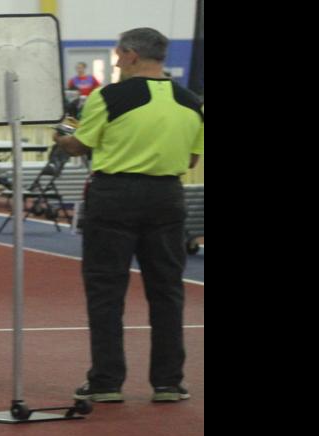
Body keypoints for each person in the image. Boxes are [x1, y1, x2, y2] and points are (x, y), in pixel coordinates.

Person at [53, 28, 204, 404]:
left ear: (133, 55)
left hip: (114, 196)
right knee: (168, 291)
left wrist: (62, 133)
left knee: (106, 291)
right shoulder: (191, 100)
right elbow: (190, 159)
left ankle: (106, 381)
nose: (117, 60)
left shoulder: (109, 96)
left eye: (119, 54)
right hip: (167, 196)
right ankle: (168, 382)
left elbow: (79, 145)